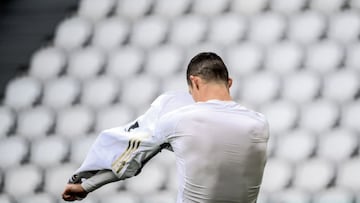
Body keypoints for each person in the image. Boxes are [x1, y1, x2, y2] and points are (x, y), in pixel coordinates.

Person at [62, 52, 269, 203]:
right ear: (229, 82)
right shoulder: (259, 123)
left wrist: (85, 186)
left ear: (194, 82)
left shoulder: (179, 119)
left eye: (191, 92)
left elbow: (129, 161)